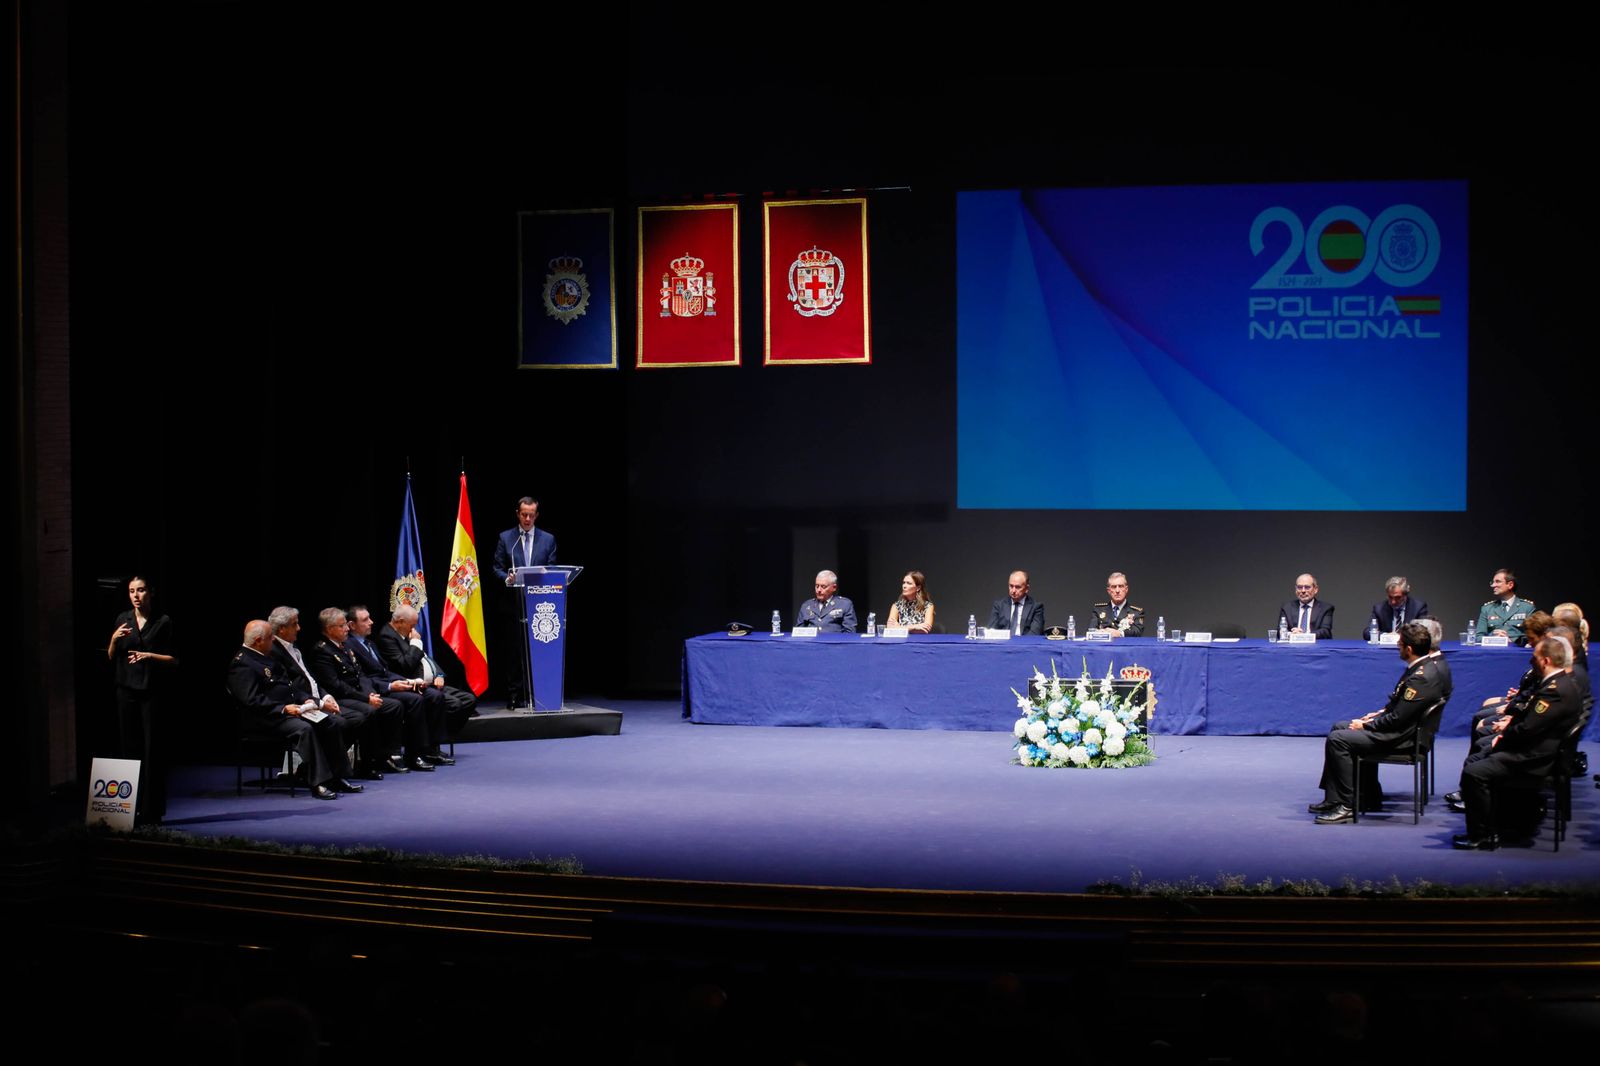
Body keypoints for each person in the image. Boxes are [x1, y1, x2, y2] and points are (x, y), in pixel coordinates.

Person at [1454, 634, 1584, 849]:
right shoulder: (1559, 683)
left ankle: (1482, 835)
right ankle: (1498, 821)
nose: (1531, 660)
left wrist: (1501, 741)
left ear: (1546, 661)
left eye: (1535, 657)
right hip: (1536, 749)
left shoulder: (1554, 691)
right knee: (1477, 756)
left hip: (1534, 758)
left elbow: (1527, 729)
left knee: (1474, 772)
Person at [1309, 622, 1447, 824]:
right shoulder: (1420, 668)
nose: (1398, 648)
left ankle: (1346, 805)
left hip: (1403, 738)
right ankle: (1345, 797)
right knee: (1339, 726)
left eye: (1400, 645)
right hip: (1401, 730)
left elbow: (1398, 719)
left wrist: (1366, 726)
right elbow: (1400, 707)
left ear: (1409, 649)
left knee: (1338, 739)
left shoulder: (1421, 678)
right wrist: (1376, 716)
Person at [227, 620, 357, 800]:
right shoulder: (242, 663)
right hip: (264, 718)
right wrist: (283, 709)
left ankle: (337, 776)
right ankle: (318, 782)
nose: (274, 640)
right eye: (270, 637)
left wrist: (307, 699)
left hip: (287, 711)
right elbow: (251, 700)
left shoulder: (265, 656)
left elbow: (288, 687)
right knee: (304, 729)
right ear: (258, 641)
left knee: (329, 722)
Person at [268, 605, 394, 779]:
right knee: (347, 720)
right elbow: (292, 687)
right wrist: (320, 701)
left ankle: (338, 767)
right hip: (301, 705)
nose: (299, 628)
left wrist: (326, 696)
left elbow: (313, 680)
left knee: (362, 717)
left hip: (320, 699)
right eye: (294, 624)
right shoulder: (278, 652)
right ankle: (332, 772)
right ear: (282, 629)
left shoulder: (295, 648)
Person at [308, 607, 433, 773]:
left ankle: (391, 755)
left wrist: (369, 693)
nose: (346, 629)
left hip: (360, 693)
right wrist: (366, 698)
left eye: (345, 625)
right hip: (340, 698)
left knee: (394, 705)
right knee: (374, 709)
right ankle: (372, 760)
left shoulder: (344, 646)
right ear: (330, 629)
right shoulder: (323, 651)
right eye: (342, 626)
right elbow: (336, 685)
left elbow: (361, 676)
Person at [106, 575, 176, 824]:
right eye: (132, 591)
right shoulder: (123, 619)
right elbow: (111, 656)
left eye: (141, 590)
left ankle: (151, 810)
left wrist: (149, 656)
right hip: (126, 691)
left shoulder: (163, 621)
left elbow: (173, 659)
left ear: (151, 592)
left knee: (152, 750)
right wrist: (113, 640)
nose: (136, 595)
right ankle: (128, 808)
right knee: (129, 747)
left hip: (151, 692)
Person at [346, 604, 455, 765]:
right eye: (365, 619)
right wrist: (391, 686)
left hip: (389, 681)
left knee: (434, 695)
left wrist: (409, 681)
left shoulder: (369, 643)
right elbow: (365, 677)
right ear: (352, 625)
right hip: (376, 689)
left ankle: (431, 749)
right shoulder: (352, 645)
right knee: (415, 700)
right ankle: (415, 753)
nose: (371, 622)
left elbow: (385, 671)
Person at [376, 604, 478, 744]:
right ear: (400, 622)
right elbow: (405, 665)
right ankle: (434, 741)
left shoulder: (404, 632)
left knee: (469, 700)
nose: (414, 629)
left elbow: (425, 658)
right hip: (416, 685)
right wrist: (416, 643)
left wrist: (439, 675)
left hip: (432, 683)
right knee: (454, 705)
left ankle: (440, 735)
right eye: (412, 625)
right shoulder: (387, 637)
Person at [493, 496, 557, 582]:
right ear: (518, 514)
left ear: (536, 515)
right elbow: (497, 569)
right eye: (524, 515)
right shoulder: (505, 538)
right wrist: (508, 578)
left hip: (539, 588)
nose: (528, 519)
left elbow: (551, 569)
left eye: (531, 515)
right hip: (514, 589)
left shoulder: (548, 540)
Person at [1474, 568, 1535, 644]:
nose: (1493, 585)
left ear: (1510, 585)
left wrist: (1512, 641)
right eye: (1493, 582)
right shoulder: (1487, 609)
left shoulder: (1527, 608)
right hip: (1493, 649)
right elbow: (1479, 636)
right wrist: (1492, 638)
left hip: (1517, 650)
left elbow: (1533, 636)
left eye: (1498, 582)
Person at [988, 570, 1045, 636]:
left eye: (1018, 587)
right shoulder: (999, 606)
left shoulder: (1036, 607)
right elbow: (992, 631)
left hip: (1025, 642)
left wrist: (1019, 642)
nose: (1013, 591)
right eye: (1011, 586)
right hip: (1004, 642)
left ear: (1026, 588)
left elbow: (1035, 633)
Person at [1089, 572, 1144, 636]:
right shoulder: (1099, 610)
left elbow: (1137, 632)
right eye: (1114, 587)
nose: (1117, 590)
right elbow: (1091, 630)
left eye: (1120, 586)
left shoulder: (1136, 612)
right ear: (1109, 591)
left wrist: (1119, 633)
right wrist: (1101, 632)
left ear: (1126, 589)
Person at [1280, 573, 1335, 638]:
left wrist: (1304, 635)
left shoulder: (1325, 608)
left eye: (1307, 587)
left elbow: (1325, 632)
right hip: (1292, 643)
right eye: (1299, 587)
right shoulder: (1287, 608)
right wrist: (1291, 634)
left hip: (1316, 644)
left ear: (1315, 589)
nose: (1303, 591)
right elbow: (1280, 631)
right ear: (1296, 590)